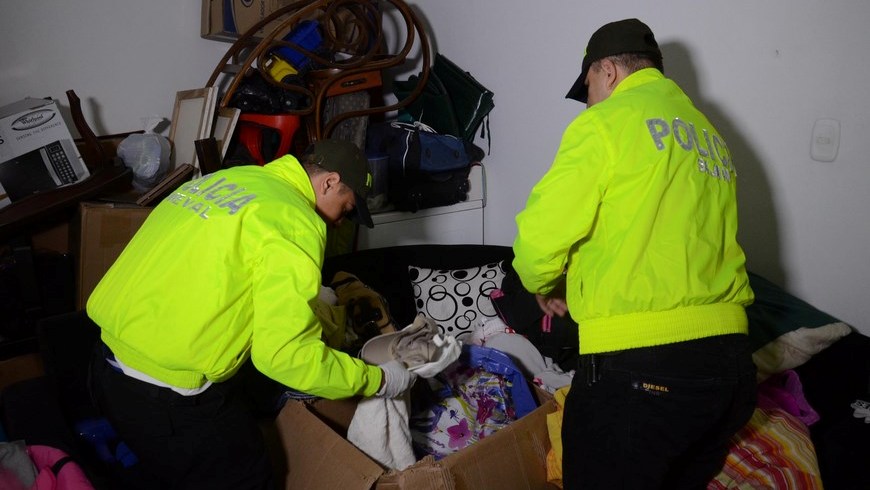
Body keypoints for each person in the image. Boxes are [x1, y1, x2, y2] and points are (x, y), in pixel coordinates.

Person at [512, 18, 757, 489]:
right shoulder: (709, 136)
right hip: (728, 369)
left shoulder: (605, 123)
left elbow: (537, 245)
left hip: (641, 371)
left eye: (587, 87)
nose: (588, 100)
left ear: (606, 71)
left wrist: (542, 284)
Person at [86, 139, 416, 489]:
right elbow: (286, 358)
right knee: (251, 476)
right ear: (329, 182)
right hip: (169, 395)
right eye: (345, 210)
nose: (339, 223)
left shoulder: (230, 180)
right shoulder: (295, 219)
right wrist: (378, 379)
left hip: (106, 362)